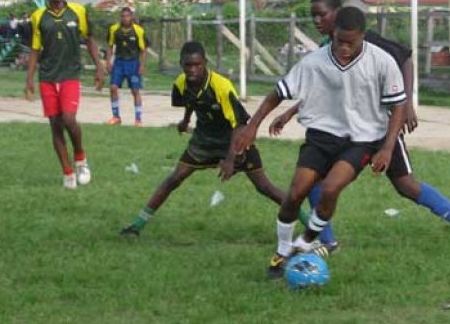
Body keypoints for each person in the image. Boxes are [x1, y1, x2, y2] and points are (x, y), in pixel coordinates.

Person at [271, 0, 450, 255]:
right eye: (312, 15)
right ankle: (325, 240)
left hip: (379, 128)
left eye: (321, 14)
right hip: (345, 131)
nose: (316, 20)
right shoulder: (330, 49)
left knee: (405, 184)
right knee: (318, 181)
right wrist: (290, 112)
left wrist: (406, 103)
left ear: (338, 14)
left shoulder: (366, 41)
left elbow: (405, 58)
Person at [233, 7, 408, 279]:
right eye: (339, 40)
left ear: (363, 36)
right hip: (321, 137)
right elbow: (276, 94)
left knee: (329, 189)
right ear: (334, 34)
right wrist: (252, 126)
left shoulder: (382, 62)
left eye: (351, 41)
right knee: (295, 194)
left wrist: (387, 147)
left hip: (362, 141)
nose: (344, 47)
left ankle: (306, 241)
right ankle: (281, 252)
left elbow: (398, 106)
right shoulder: (314, 62)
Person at [120, 41, 309, 236]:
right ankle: (137, 226)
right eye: (188, 65)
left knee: (264, 187)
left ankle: (309, 223)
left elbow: (239, 124)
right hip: (204, 139)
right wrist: (185, 121)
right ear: (181, 64)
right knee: (174, 179)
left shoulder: (221, 87)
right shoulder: (180, 83)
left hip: (234, 140)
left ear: (205, 63)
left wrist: (230, 159)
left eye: (197, 65)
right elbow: (190, 101)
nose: (193, 69)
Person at [24, 0, 105, 189]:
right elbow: (34, 49)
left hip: (70, 74)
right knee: (55, 125)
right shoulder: (38, 17)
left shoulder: (78, 11)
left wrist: (99, 67)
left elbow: (89, 40)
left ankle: (80, 158)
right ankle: (67, 172)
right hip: (48, 76)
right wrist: (29, 78)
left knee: (69, 119)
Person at [105, 7, 147, 127]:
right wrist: (108, 62)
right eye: (123, 16)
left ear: (131, 17)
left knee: (135, 91)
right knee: (113, 88)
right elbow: (109, 46)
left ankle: (138, 119)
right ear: (120, 17)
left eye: (127, 16)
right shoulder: (114, 29)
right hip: (119, 63)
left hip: (133, 63)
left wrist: (142, 65)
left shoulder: (138, 30)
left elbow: (144, 50)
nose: (125, 18)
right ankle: (116, 116)